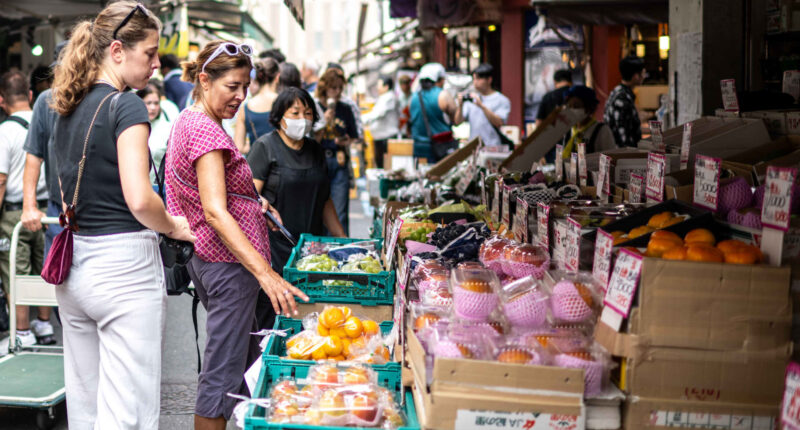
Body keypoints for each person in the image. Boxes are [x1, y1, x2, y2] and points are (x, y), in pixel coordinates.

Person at [49, 2, 194, 428]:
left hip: (75, 267)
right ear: (116, 51)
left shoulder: (64, 105)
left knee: (87, 406)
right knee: (127, 410)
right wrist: (175, 226)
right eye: (149, 53)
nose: (155, 64)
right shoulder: (126, 107)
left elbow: (63, 192)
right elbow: (140, 198)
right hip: (125, 268)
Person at [166, 40, 308, 429]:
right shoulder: (205, 132)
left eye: (246, 86)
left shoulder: (188, 120)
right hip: (229, 268)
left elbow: (206, 193)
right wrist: (265, 273)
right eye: (232, 86)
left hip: (216, 264)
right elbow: (213, 210)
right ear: (204, 79)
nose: (241, 96)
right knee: (222, 375)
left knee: (239, 368)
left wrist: (251, 200)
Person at [247, 87, 345, 329]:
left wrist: (344, 240)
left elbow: (325, 200)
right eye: (296, 112)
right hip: (273, 251)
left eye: (309, 113)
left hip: (311, 251)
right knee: (272, 320)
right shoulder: (265, 147)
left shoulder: (315, 150)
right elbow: (248, 197)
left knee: (307, 320)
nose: (303, 119)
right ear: (280, 116)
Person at [0, 70, 53, 354]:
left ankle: (22, 332)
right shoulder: (47, 121)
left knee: (15, 273)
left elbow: (0, 180)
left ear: (1, 100)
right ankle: (44, 325)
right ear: (31, 95)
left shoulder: (4, 131)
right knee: (44, 268)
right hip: (47, 211)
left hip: (15, 215)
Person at [315, 68, 358, 236]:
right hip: (320, 160)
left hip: (339, 161)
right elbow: (312, 137)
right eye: (334, 88)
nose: (337, 92)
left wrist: (344, 141)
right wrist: (325, 119)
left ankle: (341, 248)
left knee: (340, 211)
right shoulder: (316, 107)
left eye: (340, 88)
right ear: (325, 87)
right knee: (321, 210)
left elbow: (354, 136)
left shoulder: (345, 108)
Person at [409, 62, 458, 162]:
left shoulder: (413, 97)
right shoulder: (443, 95)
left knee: (421, 175)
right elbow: (456, 118)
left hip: (418, 147)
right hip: (439, 147)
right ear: (438, 80)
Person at [454, 63, 511, 149]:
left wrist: (481, 106)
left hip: (493, 147)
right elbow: (457, 122)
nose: (475, 82)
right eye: (474, 79)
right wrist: (460, 106)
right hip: (474, 148)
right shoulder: (471, 99)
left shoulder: (502, 100)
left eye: (478, 78)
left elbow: (499, 122)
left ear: (489, 80)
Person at [235, 58, 280, 154]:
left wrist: (254, 145)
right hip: (281, 162)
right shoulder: (284, 102)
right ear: (277, 77)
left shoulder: (246, 107)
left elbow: (239, 147)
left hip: (255, 164)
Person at [558, 85, 617, 158]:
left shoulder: (602, 131)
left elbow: (610, 158)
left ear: (589, 108)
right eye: (569, 107)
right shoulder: (568, 130)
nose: (572, 110)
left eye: (576, 106)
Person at [604, 56, 646, 148]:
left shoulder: (617, 91)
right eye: (642, 73)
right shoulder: (622, 98)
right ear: (635, 76)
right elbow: (623, 136)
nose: (644, 77)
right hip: (623, 156)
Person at [136, 82, 172, 184]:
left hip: (159, 188)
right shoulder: (131, 127)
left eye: (156, 103)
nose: (153, 108)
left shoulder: (168, 128)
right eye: (148, 103)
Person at [362, 75, 399, 168]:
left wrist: (360, 119)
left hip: (386, 139)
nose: (377, 88)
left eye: (379, 85)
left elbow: (377, 114)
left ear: (386, 87)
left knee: (385, 166)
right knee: (380, 165)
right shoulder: (383, 98)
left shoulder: (389, 98)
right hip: (380, 138)